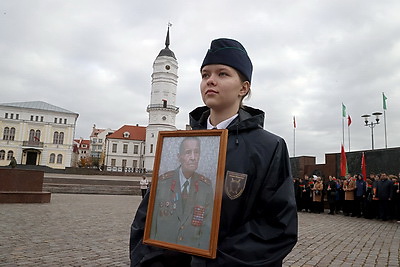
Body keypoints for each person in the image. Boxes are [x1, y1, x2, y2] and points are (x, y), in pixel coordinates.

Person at [129, 38, 298, 267]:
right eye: (205, 74)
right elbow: (149, 216)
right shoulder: (178, 143)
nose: (211, 81)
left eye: (223, 74)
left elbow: (276, 226)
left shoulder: (268, 147)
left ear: (244, 88)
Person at [149, 136, 213, 249]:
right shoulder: (163, 183)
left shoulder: (205, 187)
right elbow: (152, 225)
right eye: (188, 152)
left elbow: (207, 229)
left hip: (192, 254)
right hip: (164, 253)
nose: (193, 157)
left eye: (196, 152)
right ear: (179, 157)